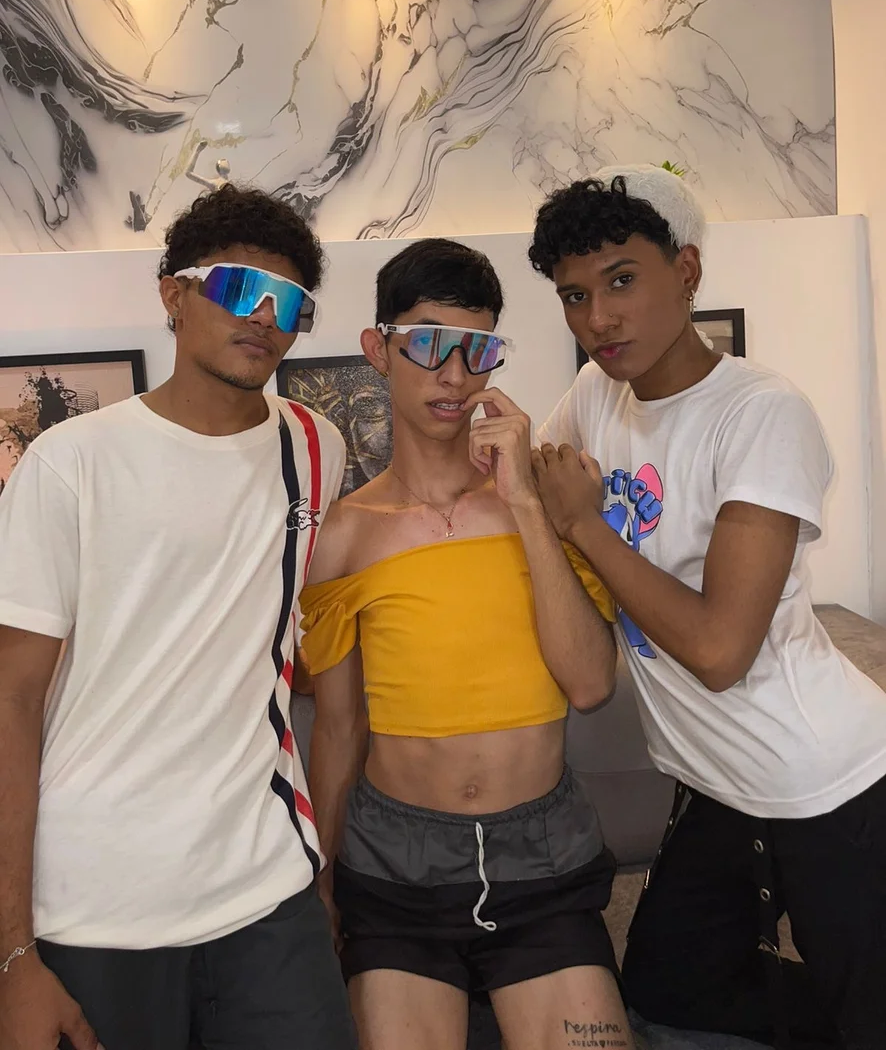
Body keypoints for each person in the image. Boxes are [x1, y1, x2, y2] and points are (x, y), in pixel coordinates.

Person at [529, 164, 886, 1050]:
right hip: (717, 785)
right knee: (669, 992)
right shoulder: (595, 396)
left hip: (825, 783)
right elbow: (534, 485)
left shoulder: (762, 414)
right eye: (575, 295)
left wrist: (586, 526)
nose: (598, 318)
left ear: (686, 270)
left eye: (621, 279)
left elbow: (722, 650)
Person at [0, 185, 357, 1050]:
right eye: (239, 287)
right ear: (174, 294)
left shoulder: (316, 445)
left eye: (289, 304)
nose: (264, 316)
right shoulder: (70, 462)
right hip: (94, 903)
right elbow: (11, 700)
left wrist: (321, 871)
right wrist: (11, 951)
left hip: (266, 886)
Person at [299, 238, 635, 1050]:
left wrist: (524, 503)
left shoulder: (547, 501)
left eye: (476, 349)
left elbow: (590, 683)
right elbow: (340, 727)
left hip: (542, 859)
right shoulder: (344, 535)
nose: (454, 374)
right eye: (428, 343)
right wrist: (323, 881)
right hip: (394, 865)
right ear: (379, 348)